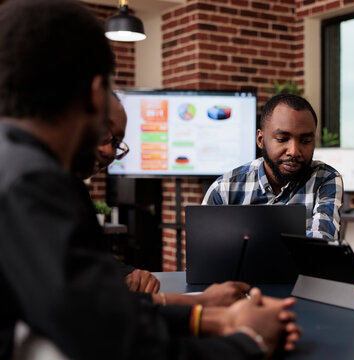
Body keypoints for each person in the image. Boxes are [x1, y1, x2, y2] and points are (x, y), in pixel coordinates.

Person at [0, 1, 299, 359]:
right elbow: (118, 346)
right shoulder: (34, 184)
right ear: (96, 95)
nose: (111, 153)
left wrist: (202, 315)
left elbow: (98, 315)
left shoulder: (13, 167)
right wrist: (251, 341)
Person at [92, 92, 253, 305]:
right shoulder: (45, 189)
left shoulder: (67, 190)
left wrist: (127, 274)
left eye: (116, 145)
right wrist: (201, 305)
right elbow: (86, 301)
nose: (110, 153)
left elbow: (89, 263)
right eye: (107, 137)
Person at [202, 93, 343, 241]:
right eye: (282, 139)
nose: (294, 151)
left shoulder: (325, 180)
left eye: (305, 140)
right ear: (261, 140)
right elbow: (205, 252)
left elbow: (321, 246)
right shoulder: (224, 189)